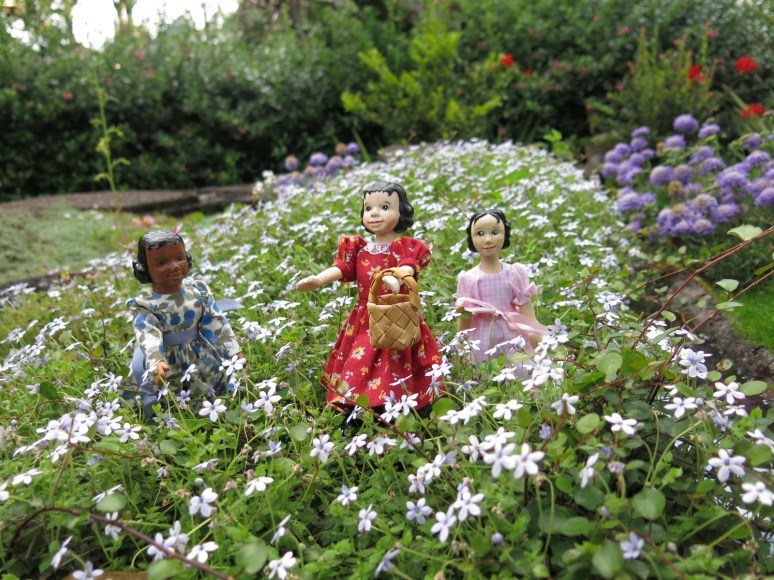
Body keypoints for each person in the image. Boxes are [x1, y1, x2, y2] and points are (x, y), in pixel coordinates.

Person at [296, 182, 443, 411]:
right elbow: (343, 268)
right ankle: (355, 403)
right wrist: (319, 279)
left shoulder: (404, 247)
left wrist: (397, 277)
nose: (374, 213)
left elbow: (409, 266)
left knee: (396, 361)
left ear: (401, 212)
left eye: (385, 207)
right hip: (365, 318)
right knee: (358, 360)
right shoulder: (359, 249)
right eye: (368, 208)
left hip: (397, 315)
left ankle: (396, 404)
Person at [127, 230, 244, 413]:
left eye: (179, 258)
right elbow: (147, 333)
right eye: (162, 262)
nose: (174, 267)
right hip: (169, 360)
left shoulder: (198, 293)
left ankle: (215, 411)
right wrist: (156, 360)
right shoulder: (146, 306)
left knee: (210, 384)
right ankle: (177, 419)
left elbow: (215, 322)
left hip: (202, 355)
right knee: (173, 397)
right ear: (145, 269)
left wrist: (233, 350)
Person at [455, 209, 546, 362]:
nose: (488, 240)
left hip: (513, 332)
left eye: (495, 232)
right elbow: (465, 317)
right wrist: (461, 344)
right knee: (485, 369)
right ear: (471, 238)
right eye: (480, 234)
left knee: (519, 366)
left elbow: (528, 314)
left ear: (505, 235)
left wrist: (537, 338)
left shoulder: (514, 273)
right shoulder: (469, 278)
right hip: (484, 334)